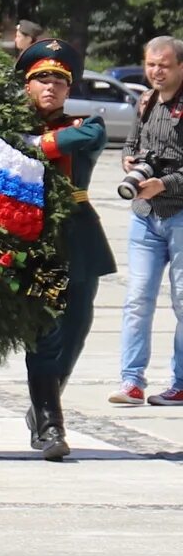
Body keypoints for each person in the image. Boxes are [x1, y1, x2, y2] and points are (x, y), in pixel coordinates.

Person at [22, 39, 114, 461]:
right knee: (45, 333)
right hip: (32, 236)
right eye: (42, 78)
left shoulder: (87, 123)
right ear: (26, 85)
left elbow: (86, 138)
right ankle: (50, 426)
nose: (51, 86)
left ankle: (45, 406)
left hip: (78, 237)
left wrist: (30, 143)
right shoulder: (4, 128)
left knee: (76, 330)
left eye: (59, 80)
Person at [112, 35, 183, 407]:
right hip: (145, 215)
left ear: (181, 67)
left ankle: (181, 382)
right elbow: (131, 144)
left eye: (165, 65)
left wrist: (165, 183)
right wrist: (130, 162)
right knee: (137, 298)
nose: (156, 71)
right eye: (151, 64)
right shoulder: (146, 101)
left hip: (180, 213)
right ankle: (131, 381)